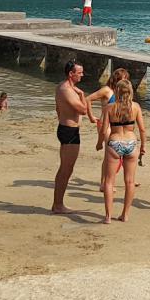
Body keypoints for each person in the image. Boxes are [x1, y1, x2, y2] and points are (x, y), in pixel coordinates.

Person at [99, 78, 146, 223]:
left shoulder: (109, 107)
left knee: (109, 181)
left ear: (117, 91)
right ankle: (125, 214)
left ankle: (108, 216)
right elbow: (142, 130)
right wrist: (143, 146)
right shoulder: (136, 107)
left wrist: (99, 143)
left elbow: (103, 129)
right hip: (131, 143)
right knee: (130, 181)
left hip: (115, 142)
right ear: (131, 91)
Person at [52, 60, 95, 214]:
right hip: (68, 131)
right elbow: (83, 110)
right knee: (66, 169)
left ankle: (58, 204)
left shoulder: (65, 88)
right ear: (71, 74)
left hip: (67, 129)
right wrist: (83, 95)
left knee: (67, 169)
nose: (82, 75)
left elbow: (58, 108)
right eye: (79, 72)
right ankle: (58, 205)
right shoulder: (66, 90)